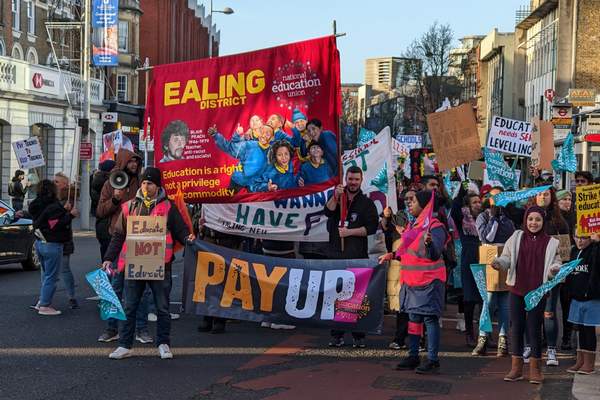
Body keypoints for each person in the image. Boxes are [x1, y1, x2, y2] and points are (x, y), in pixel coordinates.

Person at [101, 167, 194, 359]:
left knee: (162, 307)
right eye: (143, 182)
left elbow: (181, 231)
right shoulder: (128, 207)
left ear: (157, 185)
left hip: (161, 265)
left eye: (149, 183)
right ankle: (124, 345)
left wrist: (189, 238)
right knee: (130, 306)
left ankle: (164, 344)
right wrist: (109, 258)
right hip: (134, 265)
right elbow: (118, 236)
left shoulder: (168, 207)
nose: (145, 186)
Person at [380, 190, 449, 374]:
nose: (409, 203)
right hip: (412, 282)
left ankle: (433, 360)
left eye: (414, 201)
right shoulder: (414, 225)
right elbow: (408, 253)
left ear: (425, 205)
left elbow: (434, 254)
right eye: (409, 201)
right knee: (414, 318)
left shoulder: (435, 226)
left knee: (429, 319)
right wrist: (392, 255)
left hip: (429, 281)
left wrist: (429, 244)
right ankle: (413, 356)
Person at [492, 206, 562, 384]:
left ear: (543, 222)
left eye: (537, 219)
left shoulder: (552, 242)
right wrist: (499, 263)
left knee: (534, 329)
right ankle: (516, 369)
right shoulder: (516, 237)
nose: (533, 223)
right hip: (516, 289)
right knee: (516, 327)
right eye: (530, 219)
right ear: (525, 220)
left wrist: (555, 270)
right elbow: (507, 257)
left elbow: (556, 263)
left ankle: (535, 370)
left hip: (537, 293)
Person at [96, 149, 151, 343]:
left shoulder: (142, 184)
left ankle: (142, 329)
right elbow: (100, 211)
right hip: (117, 241)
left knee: (141, 289)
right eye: (131, 162)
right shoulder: (109, 184)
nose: (134, 165)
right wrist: (115, 199)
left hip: (138, 241)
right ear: (122, 163)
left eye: (136, 162)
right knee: (113, 288)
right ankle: (112, 328)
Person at [324, 166, 378, 348]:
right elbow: (327, 212)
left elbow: (371, 228)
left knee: (356, 297)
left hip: (356, 257)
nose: (353, 182)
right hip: (335, 255)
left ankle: (358, 335)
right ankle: (336, 334)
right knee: (336, 296)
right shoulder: (338, 197)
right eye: (350, 179)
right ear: (346, 179)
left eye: (356, 179)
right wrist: (335, 196)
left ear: (361, 180)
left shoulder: (366, 203)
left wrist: (349, 232)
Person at [529, 187, 569, 366]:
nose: (542, 197)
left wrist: (560, 273)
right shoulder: (528, 217)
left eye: (546, 194)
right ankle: (530, 346)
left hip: (552, 275)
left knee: (549, 312)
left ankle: (552, 350)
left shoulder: (560, 222)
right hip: (530, 273)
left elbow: (565, 252)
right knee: (530, 311)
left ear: (551, 197)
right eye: (539, 193)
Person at [472, 187, 515, 357]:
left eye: (500, 197)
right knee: (488, 300)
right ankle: (483, 338)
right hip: (488, 261)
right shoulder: (484, 216)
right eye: (493, 197)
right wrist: (494, 217)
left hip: (504, 260)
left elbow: (511, 236)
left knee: (505, 302)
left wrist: (500, 217)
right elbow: (486, 237)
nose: (496, 200)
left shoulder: (508, 218)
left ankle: (503, 339)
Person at [29, 180, 79, 316]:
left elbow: (47, 219)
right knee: (51, 276)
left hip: (40, 242)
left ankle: (42, 301)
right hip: (52, 243)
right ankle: (45, 305)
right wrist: (70, 215)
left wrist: (64, 211)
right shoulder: (53, 206)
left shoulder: (35, 204)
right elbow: (55, 224)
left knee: (46, 275)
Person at [451, 185, 483, 346]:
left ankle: (485, 334)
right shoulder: (462, 218)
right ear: (468, 205)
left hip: (484, 259)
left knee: (485, 299)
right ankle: (470, 333)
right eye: (474, 202)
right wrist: (463, 188)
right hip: (469, 259)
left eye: (479, 201)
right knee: (469, 299)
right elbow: (455, 207)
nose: (478, 204)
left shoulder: (487, 218)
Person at [565, 233, 599, 375]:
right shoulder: (573, 250)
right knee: (578, 329)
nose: (580, 240)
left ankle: (589, 363)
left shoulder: (595, 250)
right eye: (577, 236)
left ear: (590, 237)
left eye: (584, 237)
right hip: (576, 297)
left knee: (588, 330)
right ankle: (580, 360)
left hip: (591, 297)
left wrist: (598, 243)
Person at [210, 124, 271, 192]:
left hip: (255, 185)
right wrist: (216, 135)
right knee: (229, 198)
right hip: (238, 180)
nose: (264, 136)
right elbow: (230, 148)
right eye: (262, 133)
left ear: (272, 137)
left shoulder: (274, 152)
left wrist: (267, 186)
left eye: (267, 134)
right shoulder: (248, 145)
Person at [53, 172, 78, 309]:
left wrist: (65, 211)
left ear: (64, 185)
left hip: (63, 238)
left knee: (64, 268)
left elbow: (68, 216)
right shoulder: (50, 196)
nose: (54, 183)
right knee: (47, 271)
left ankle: (71, 297)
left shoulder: (69, 198)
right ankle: (45, 297)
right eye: (54, 181)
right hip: (50, 238)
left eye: (57, 181)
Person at [556, 189, 576, 350]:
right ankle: (545, 337)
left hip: (570, 263)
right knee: (549, 303)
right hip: (554, 263)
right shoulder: (552, 219)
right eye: (564, 199)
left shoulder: (575, 218)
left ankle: (567, 337)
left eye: (569, 199)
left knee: (566, 301)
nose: (567, 202)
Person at [91, 159, 116, 259]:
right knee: (110, 257)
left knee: (105, 254)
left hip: (101, 225)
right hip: (107, 224)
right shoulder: (108, 183)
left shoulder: (96, 180)